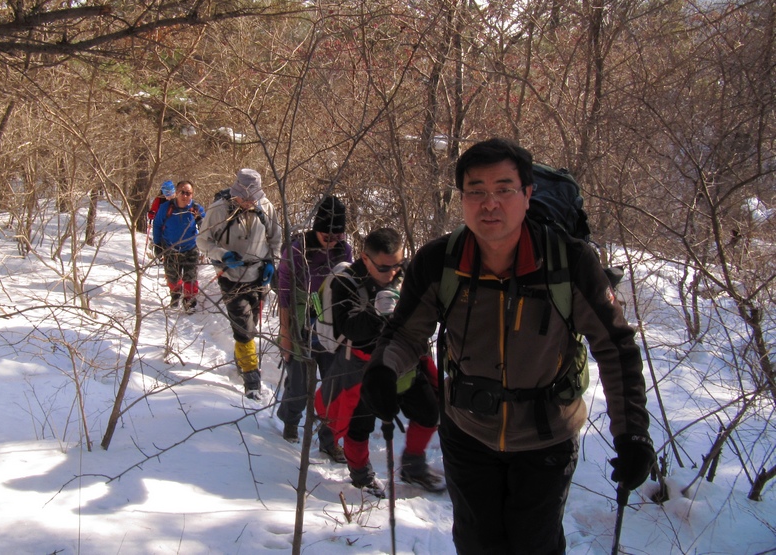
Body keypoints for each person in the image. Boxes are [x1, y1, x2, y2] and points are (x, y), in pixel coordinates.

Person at [361, 138, 654, 554]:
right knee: (477, 543)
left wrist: (633, 434)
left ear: (528, 194)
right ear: (461, 199)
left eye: (504, 189)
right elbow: (406, 332)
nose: (489, 203)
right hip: (468, 432)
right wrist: (383, 370)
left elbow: (615, 347)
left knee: (535, 545)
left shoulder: (569, 263)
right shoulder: (439, 261)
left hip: (546, 437)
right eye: (475, 191)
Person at [316, 227, 445, 497]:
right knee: (358, 427)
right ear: (365, 258)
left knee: (429, 412)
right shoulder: (347, 283)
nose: (393, 273)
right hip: (363, 367)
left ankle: (413, 464)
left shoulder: (405, 273)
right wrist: (376, 312)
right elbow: (348, 328)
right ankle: (361, 475)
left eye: (398, 264)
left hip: (405, 360)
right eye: (385, 268)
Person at [276, 195, 351, 462]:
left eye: (337, 233)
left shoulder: (345, 251)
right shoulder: (295, 251)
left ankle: (329, 441)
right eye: (326, 234)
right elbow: (284, 296)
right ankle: (289, 420)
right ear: (317, 227)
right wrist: (286, 335)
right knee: (298, 385)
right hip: (300, 325)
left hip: (331, 327)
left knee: (332, 386)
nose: (332, 240)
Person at [197, 169, 282, 400]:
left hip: (259, 276)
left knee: (250, 324)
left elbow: (276, 238)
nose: (248, 202)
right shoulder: (218, 210)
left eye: (252, 198)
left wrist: (272, 263)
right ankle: (251, 378)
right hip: (230, 277)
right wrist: (222, 254)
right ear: (236, 193)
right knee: (244, 329)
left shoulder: (266, 208)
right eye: (245, 198)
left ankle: (242, 359)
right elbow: (202, 241)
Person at [152, 180, 206, 311]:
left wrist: (201, 222)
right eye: (182, 192)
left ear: (192, 195)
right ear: (176, 193)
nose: (185, 196)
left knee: (190, 278)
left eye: (188, 193)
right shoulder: (166, 208)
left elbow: (206, 226)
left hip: (190, 248)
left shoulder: (196, 208)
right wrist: (157, 244)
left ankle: (189, 302)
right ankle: (175, 294)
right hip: (170, 248)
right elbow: (157, 225)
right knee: (172, 277)